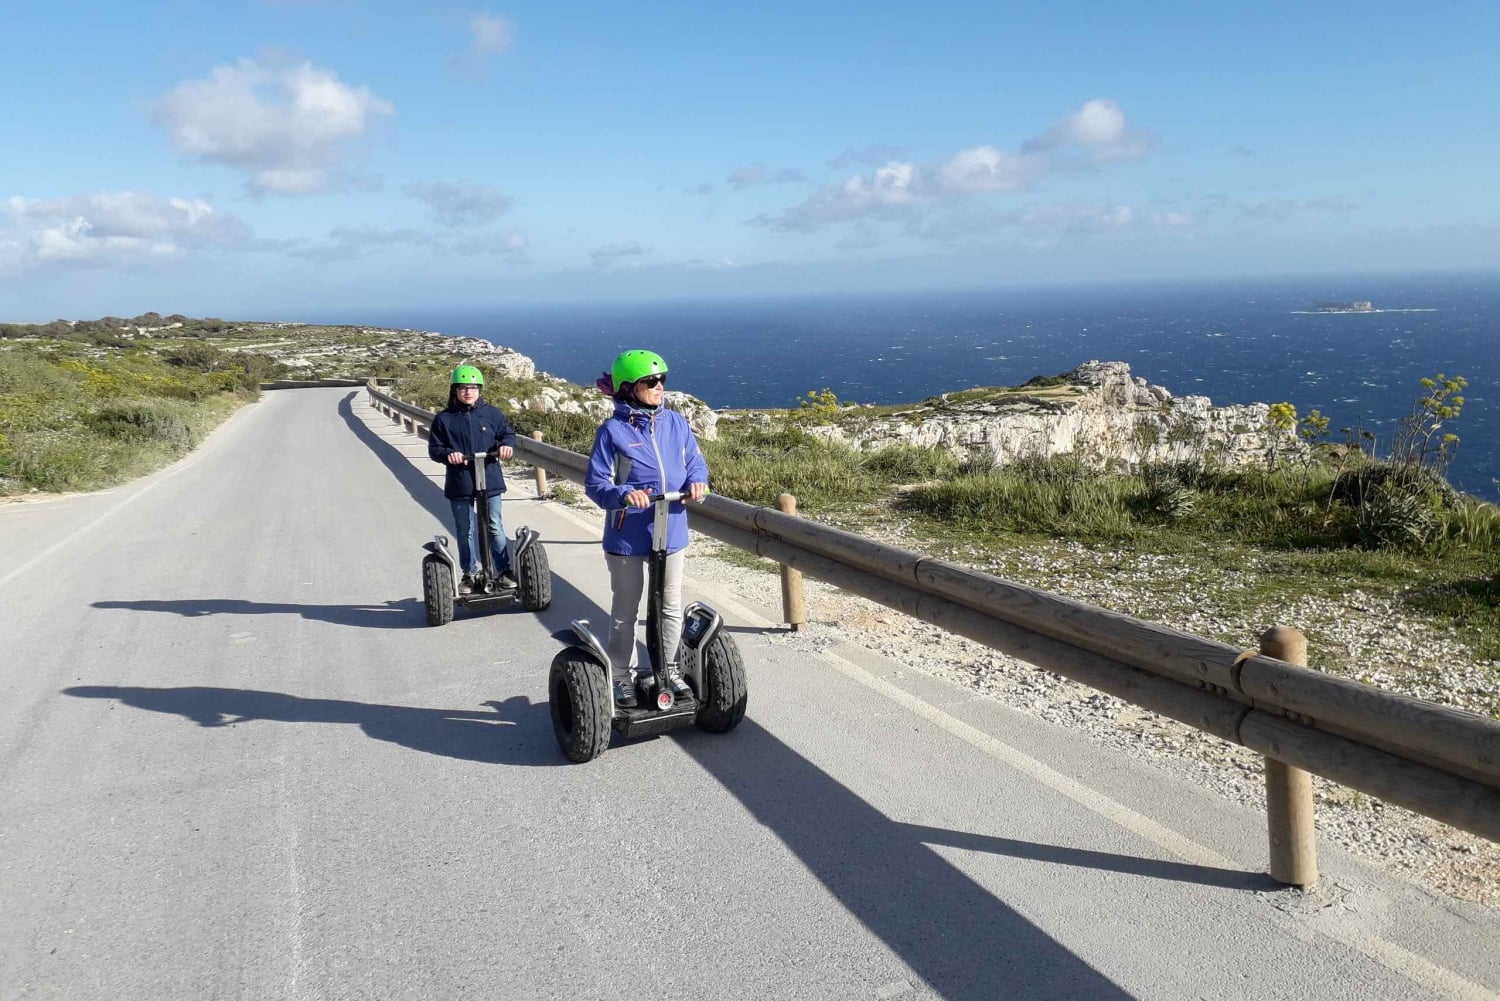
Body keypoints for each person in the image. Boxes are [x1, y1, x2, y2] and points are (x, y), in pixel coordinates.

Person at [585, 349, 709, 708]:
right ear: (627, 388)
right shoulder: (613, 431)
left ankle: (667, 671)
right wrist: (625, 495)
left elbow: (695, 463)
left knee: (670, 605)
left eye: (662, 380)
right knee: (627, 609)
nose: (659, 387)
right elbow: (596, 485)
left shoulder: (676, 423)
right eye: (650, 382)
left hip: (671, 528)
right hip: (628, 534)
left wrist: (698, 481)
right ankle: (621, 676)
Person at [428, 365, 517, 593]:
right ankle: (470, 574)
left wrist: (506, 446)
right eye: (463, 388)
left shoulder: (492, 414)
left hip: (490, 478)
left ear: (480, 389)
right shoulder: (444, 419)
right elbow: (435, 449)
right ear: (455, 390)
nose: (468, 392)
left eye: (473, 387)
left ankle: (503, 571)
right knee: (465, 529)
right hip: (460, 481)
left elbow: (507, 434)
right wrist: (449, 454)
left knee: (495, 525)